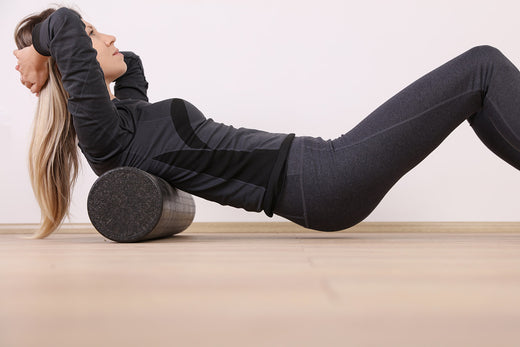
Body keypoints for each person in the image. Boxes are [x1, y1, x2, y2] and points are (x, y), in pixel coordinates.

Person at [13, 7, 520, 239]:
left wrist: (57, 49)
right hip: (320, 178)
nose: (108, 36)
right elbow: (62, 29)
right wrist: (40, 49)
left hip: (320, 168)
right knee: (481, 65)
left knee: (478, 89)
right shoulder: (103, 137)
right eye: (92, 34)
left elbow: (133, 65)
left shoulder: (123, 117)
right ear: (68, 60)